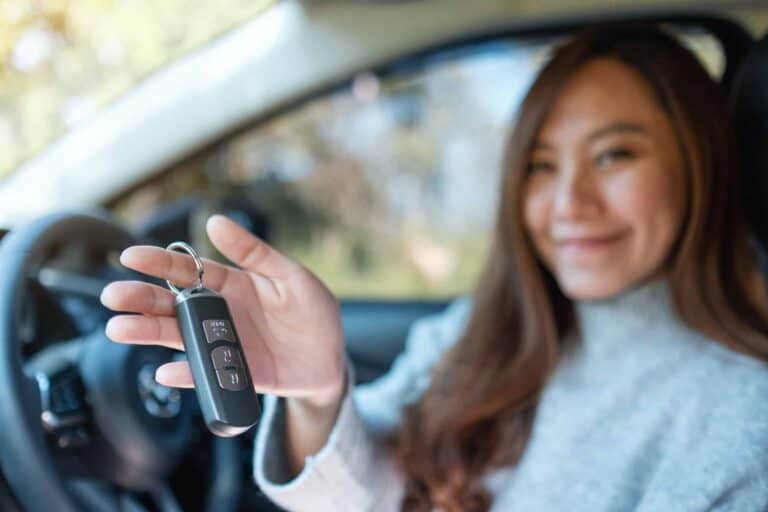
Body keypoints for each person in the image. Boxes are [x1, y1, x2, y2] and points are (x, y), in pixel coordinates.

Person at [100, 23, 768, 511]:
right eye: (540, 166)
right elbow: (360, 494)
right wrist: (319, 392)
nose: (569, 204)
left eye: (613, 156)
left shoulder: (743, 419)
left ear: (699, 163)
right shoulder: (487, 326)